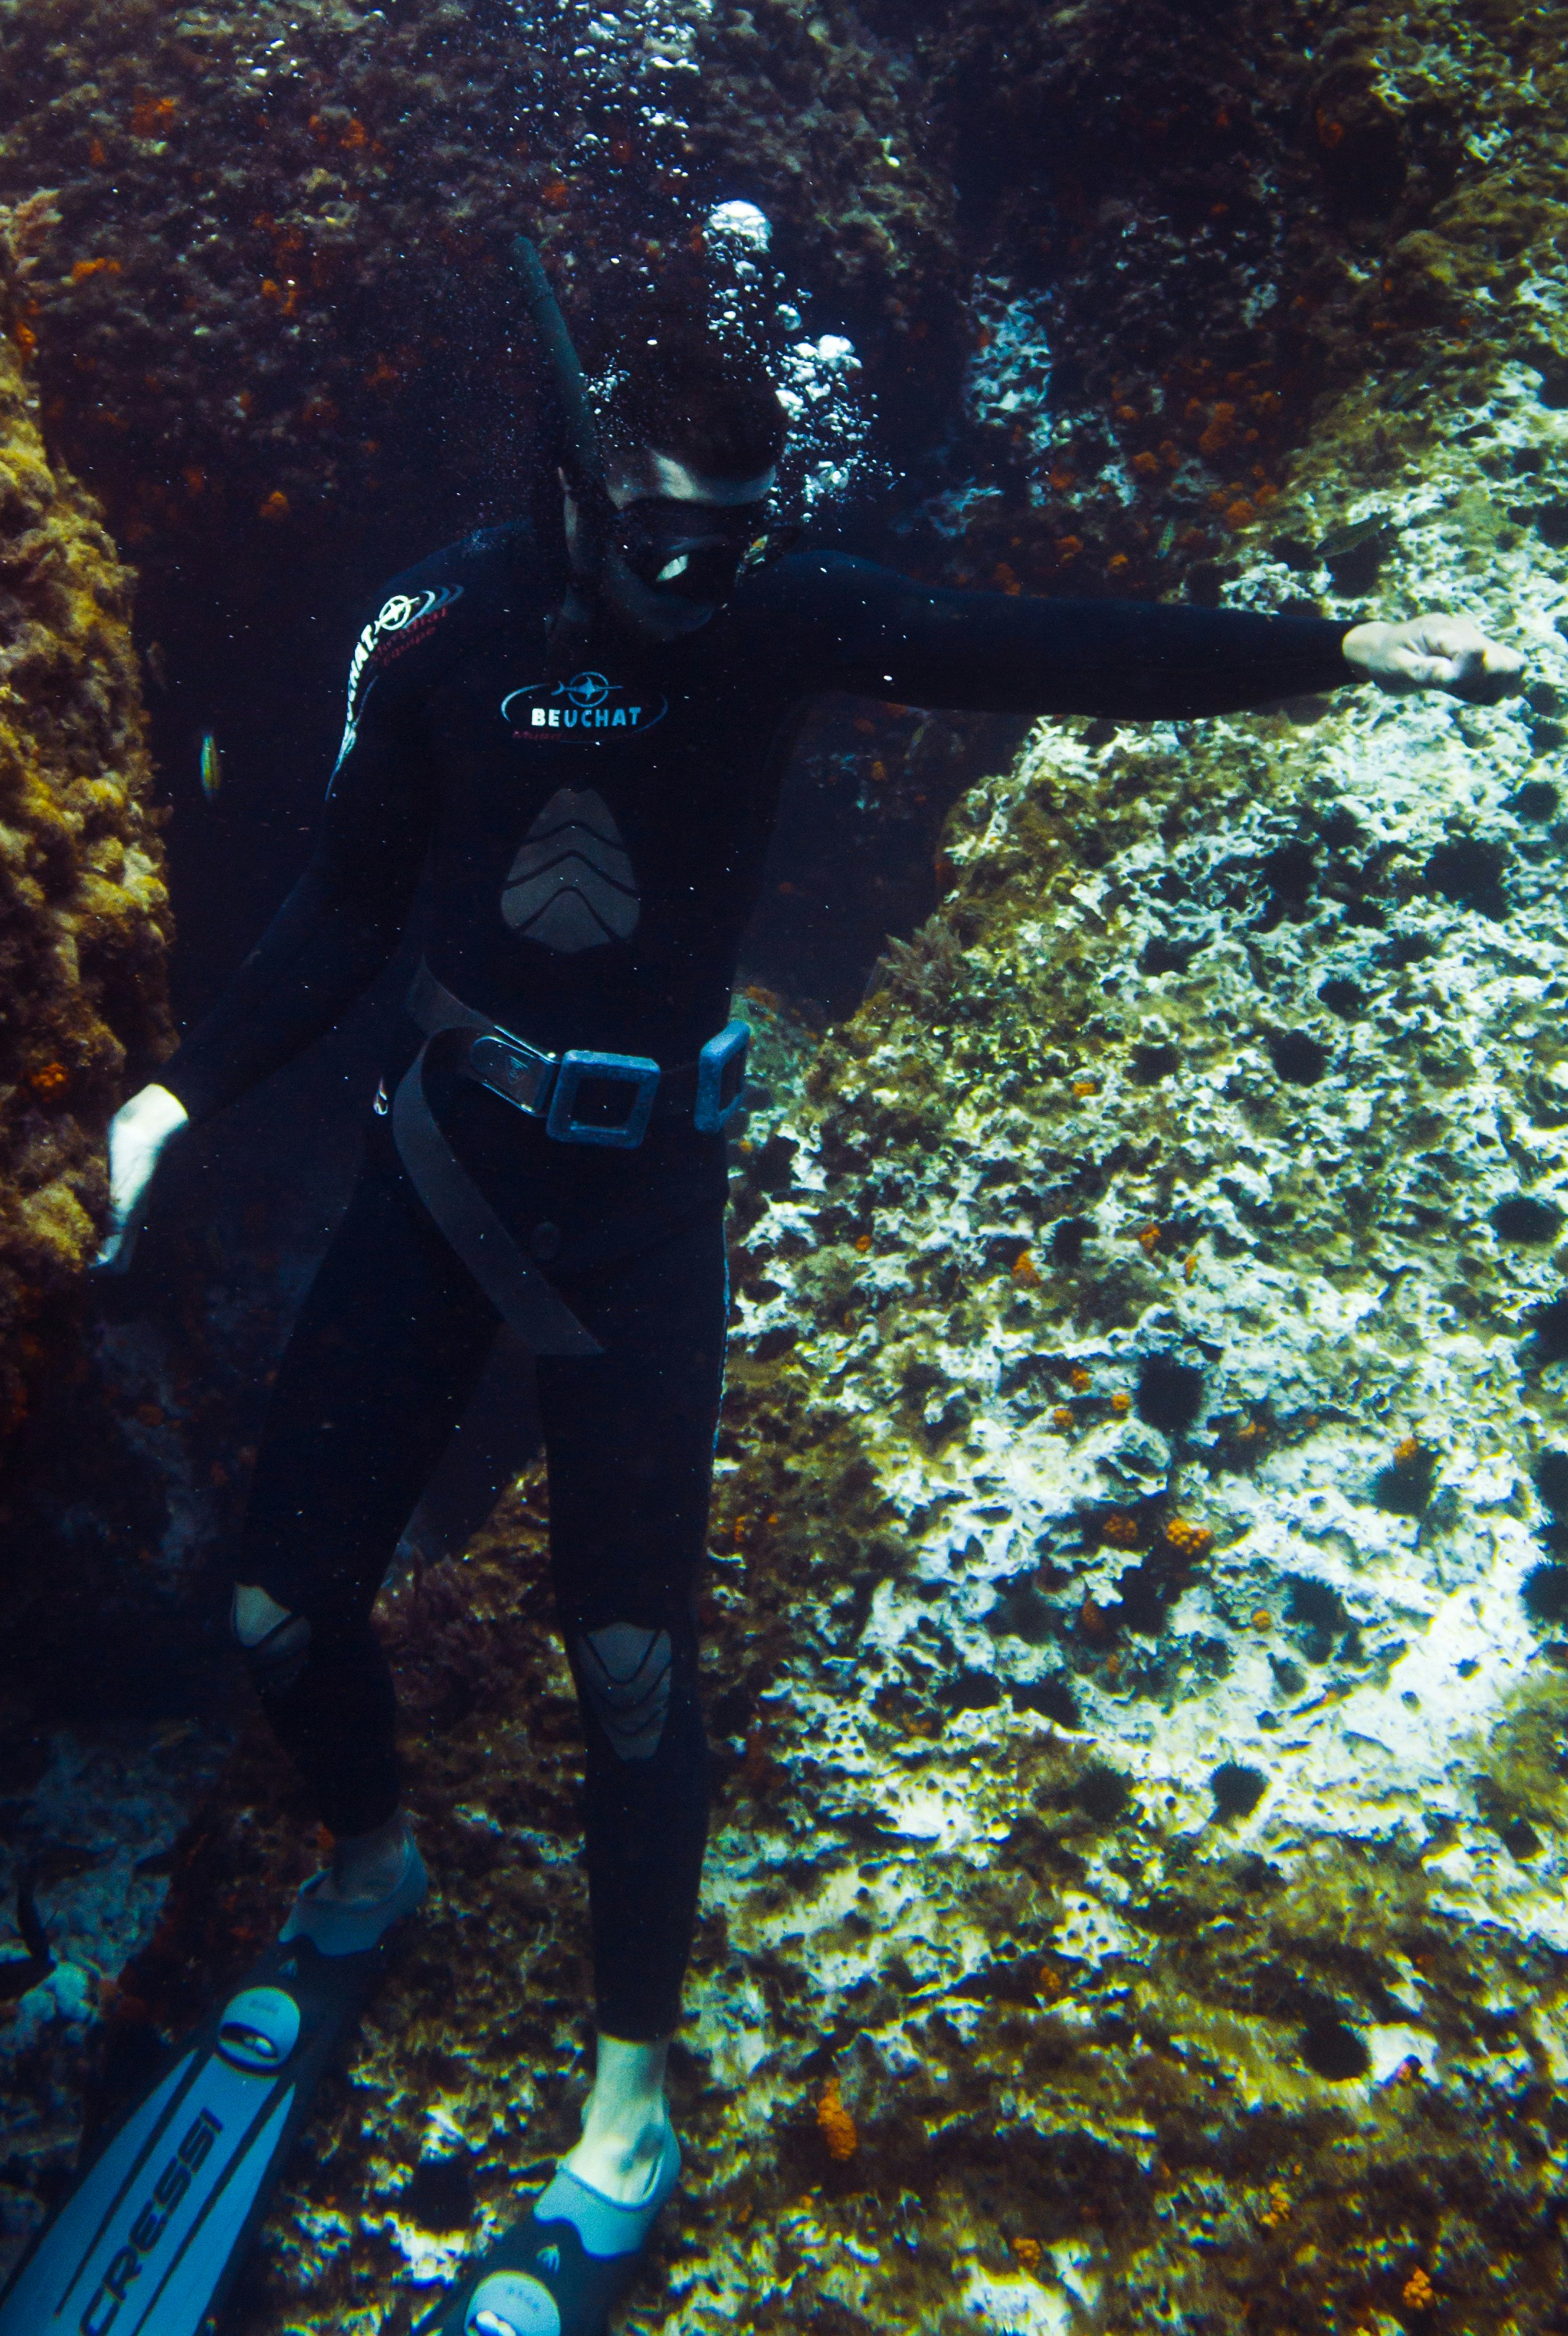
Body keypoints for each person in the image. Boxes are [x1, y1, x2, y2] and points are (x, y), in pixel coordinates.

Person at [94, 277, 1518, 2336]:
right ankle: (366, 1870)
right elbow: (338, 890)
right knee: (277, 1603)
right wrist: (183, 1084)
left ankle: (623, 2122)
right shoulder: (437, 628)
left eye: (732, 536)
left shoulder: (769, 610)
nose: (696, 576)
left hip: (646, 1208)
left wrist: (1339, 646)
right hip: (444, 1159)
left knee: (634, 1669)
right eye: (661, 530)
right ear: (579, 483)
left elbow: (1041, 647)